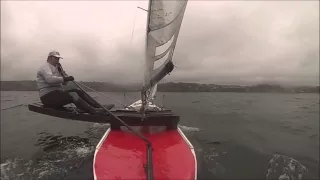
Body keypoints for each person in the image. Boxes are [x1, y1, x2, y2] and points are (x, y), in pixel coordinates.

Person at [36, 50, 108, 115]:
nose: (58, 60)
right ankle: (93, 111)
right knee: (73, 94)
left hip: (56, 94)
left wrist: (63, 75)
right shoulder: (45, 67)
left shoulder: (57, 68)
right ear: (50, 58)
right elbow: (50, 80)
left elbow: (64, 83)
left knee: (78, 91)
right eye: (56, 58)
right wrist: (64, 78)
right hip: (47, 97)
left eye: (58, 58)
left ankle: (98, 106)